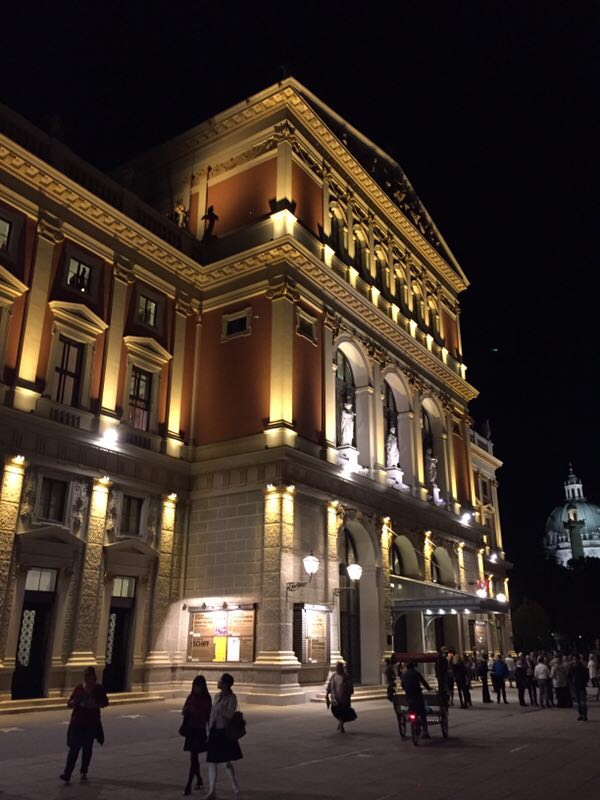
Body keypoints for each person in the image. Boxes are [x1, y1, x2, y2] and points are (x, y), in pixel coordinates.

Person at [60, 666, 108, 785]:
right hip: (77, 722)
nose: (86, 678)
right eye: (85, 675)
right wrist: (74, 702)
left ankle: (83, 771)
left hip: (91, 723)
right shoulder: (79, 688)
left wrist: (95, 704)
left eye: (88, 676)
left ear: (93, 676)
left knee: (87, 748)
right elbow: (70, 703)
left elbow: (105, 702)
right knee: (74, 749)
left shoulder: (98, 689)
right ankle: (67, 774)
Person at [205, 673, 242, 799]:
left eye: (220, 681)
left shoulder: (232, 698)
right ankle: (212, 790)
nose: (218, 682)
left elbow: (230, 715)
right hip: (214, 731)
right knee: (212, 762)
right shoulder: (217, 696)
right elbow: (212, 714)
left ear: (225, 684)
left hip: (224, 732)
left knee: (226, 763)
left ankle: (234, 784)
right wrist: (208, 729)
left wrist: (221, 709)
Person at [181, 675, 212, 795]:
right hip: (191, 730)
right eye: (194, 686)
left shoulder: (207, 699)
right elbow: (184, 710)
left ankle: (189, 784)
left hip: (200, 731)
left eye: (198, 686)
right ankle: (198, 779)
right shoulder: (191, 696)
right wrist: (187, 710)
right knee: (193, 758)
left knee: (194, 757)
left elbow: (207, 716)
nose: (195, 688)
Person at [400, 661, 432, 739]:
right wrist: (429, 688)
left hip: (409, 697)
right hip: (417, 696)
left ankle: (414, 723)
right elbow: (424, 682)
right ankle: (425, 731)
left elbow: (402, 685)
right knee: (422, 713)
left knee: (411, 709)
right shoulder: (416, 673)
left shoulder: (404, 674)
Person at [326, 661, 356, 733]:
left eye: (339, 667)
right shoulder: (333, 676)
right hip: (335, 698)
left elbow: (350, 686)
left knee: (343, 712)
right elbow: (330, 685)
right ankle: (341, 722)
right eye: (337, 667)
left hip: (344, 698)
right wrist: (327, 694)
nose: (338, 669)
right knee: (335, 711)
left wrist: (349, 693)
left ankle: (341, 726)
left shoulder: (346, 676)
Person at [569, 654, 590, 721]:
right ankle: (581, 714)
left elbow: (587, 676)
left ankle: (584, 715)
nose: (574, 661)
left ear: (578, 660)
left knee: (583, 702)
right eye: (573, 659)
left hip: (581, 686)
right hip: (575, 686)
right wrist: (572, 682)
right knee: (578, 702)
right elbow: (569, 675)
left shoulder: (582, 667)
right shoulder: (572, 667)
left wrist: (584, 683)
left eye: (575, 659)